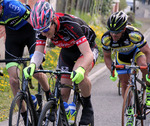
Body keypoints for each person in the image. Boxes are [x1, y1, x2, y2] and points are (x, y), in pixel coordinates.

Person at [23, 0, 99, 125]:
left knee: (79, 74)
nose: (44, 34)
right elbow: (38, 53)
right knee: (63, 92)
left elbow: (88, 54)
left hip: (87, 49)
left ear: (53, 20)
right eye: (40, 31)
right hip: (67, 51)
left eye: (46, 30)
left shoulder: (70, 25)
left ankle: (87, 107)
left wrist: (81, 70)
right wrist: (32, 65)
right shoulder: (43, 28)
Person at [0, 0, 50, 123]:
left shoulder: (12, 5)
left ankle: (49, 95)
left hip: (30, 32)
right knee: (13, 81)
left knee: (36, 71)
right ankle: (25, 117)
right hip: (13, 39)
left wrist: (41, 47)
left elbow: (35, 24)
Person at [101, 11, 150, 125]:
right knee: (124, 83)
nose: (114, 35)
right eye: (112, 32)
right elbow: (107, 57)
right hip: (121, 57)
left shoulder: (133, 34)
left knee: (143, 66)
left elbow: (147, 51)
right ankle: (129, 111)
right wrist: (111, 69)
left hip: (136, 53)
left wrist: (149, 66)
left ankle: (148, 89)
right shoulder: (106, 38)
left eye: (117, 32)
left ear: (123, 29)